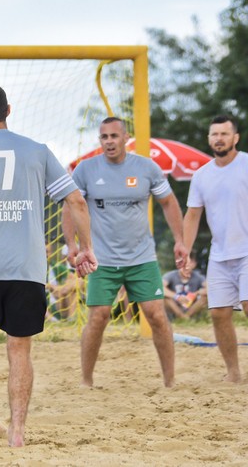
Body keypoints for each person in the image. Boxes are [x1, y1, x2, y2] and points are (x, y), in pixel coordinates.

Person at [0, 80, 97, 447]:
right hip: (29, 267)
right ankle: (17, 432)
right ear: (9, 111)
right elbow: (76, 201)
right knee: (20, 347)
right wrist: (86, 248)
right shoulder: (39, 150)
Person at [64, 116, 188, 388]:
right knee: (98, 318)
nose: (109, 141)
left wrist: (179, 240)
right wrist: (72, 244)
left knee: (156, 314)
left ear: (125, 137)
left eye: (114, 136)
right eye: (104, 137)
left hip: (141, 258)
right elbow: (71, 205)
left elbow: (168, 202)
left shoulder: (147, 168)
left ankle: (170, 380)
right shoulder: (86, 169)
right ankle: (86, 381)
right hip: (102, 260)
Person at [182, 115, 248, 383]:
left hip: (247, 252)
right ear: (209, 139)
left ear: (235, 138)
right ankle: (233, 372)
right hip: (220, 254)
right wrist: (184, 252)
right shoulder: (201, 175)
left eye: (224, 134)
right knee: (218, 313)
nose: (218, 139)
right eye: (214, 134)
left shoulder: (246, 164)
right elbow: (193, 215)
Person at [163, 250, 207, 320]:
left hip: (191, 306)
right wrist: (177, 297)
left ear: (194, 264)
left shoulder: (199, 277)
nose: (186, 265)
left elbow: (210, 289)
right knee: (165, 297)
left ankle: (185, 318)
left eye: (190, 262)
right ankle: (182, 318)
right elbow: (160, 288)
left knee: (205, 297)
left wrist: (196, 293)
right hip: (175, 306)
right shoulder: (170, 275)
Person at [46, 244, 79, 320]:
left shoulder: (54, 266)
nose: (45, 255)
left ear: (51, 253)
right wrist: (50, 286)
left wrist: (64, 288)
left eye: (47, 252)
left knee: (73, 288)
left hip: (57, 304)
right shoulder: (32, 268)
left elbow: (75, 278)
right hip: (42, 305)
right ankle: (51, 319)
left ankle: (71, 318)